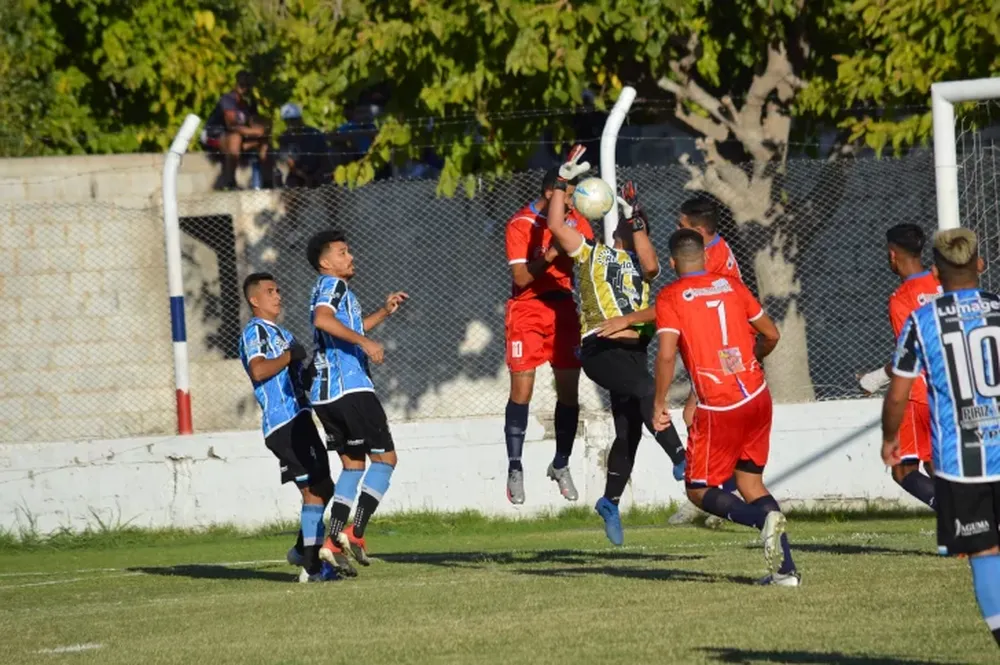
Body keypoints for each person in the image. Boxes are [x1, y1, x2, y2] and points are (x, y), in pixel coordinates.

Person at [544, 146, 686, 546]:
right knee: (646, 391)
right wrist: (562, 181)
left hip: (633, 354)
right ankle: (681, 457)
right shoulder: (588, 254)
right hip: (601, 350)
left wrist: (636, 215)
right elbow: (556, 224)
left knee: (629, 435)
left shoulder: (644, 266)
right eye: (627, 225)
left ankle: (609, 502)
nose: (631, 230)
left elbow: (653, 262)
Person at [653, 229, 800, 586]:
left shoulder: (671, 296)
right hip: (757, 395)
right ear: (705, 256)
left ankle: (757, 521)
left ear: (672, 263)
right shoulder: (732, 286)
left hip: (720, 407)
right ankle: (786, 572)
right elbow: (772, 335)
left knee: (698, 488)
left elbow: (667, 354)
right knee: (750, 481)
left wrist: (660, 403)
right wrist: (750, 361)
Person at [883, 228, 1000, 648]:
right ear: (980, 265)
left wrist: (888, 436)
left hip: (958, 453)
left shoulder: (918, 315)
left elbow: (899, 386)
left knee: (985, 553)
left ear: (937, 270)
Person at [305, 229, 408, 576]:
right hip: (350, 388)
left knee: (352, 466)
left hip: (326, 395)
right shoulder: (333, 286)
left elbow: (341, 326)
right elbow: (323, 320)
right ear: (325, 262)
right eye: (342, 252)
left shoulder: (329, 290)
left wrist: (383, 312)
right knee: (386, 459)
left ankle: (332, 541)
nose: (350, 257)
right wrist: (366, 343)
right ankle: (356, 532)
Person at [502, 164, 595, 504]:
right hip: (526, 309)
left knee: (569, 391)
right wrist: (552, 253)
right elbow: (523, 278)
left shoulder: (578, 221)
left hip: (564, 310)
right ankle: (515, 466)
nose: (574, 202)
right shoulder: (520, 224)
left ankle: (561, 463)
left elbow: (590, 261)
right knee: (522, 391)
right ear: (550, 193)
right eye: (569, 195)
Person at [238, 272, 334, 583]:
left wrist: (310, 369)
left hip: (301, 416)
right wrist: (290, 355)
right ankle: (311, 568)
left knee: (324, 486)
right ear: (255, 300)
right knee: (312, 489)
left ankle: (300, 551)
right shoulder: (255, 332)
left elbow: (297, 375)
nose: (277, 295)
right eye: (270, 291)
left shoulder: (283, 333)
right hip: (284, 422)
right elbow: (259, 369)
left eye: (278, 289)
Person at [670, 197, 744, 526]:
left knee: (696, 415)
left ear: (699, 230)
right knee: (712, 419)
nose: (677, 231)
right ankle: (719, 493)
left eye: (681, 226)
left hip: (725, 352)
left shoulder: (710, 259)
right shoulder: (715, 249)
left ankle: (714, 495)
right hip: (725, 348)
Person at [859, 224, 941, 510]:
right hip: (951, 388)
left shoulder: (901, 299)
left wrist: (875, 378)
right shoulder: (941, 282)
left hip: (919, 394)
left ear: (893, 255)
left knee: (902, 470)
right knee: (937, 466)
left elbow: (909, 355)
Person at [202, 70, 272, 190]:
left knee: (264, 140)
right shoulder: (227, 99)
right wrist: (254, 132)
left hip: (233, 138)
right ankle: (230, 182)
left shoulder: (246, 104)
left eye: (247, 86)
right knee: (236, 137)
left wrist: (263, 128)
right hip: (212, 137)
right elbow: (232, 125)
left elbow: (254, 122)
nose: (244, 89)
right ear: (236, 84)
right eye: (242, 85)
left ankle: (267, 180)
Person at [277, 103, 333, 188]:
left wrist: (316, 176)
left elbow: (325, 160)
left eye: (293, 120)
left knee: (326, 180)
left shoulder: (315, 134)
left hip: (318, 173)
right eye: (287, 121)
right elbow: (291, 164)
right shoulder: (285, 138)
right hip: (298, 175)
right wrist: (306, 178)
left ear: (300, 118)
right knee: (292, 183)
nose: (290, 123)